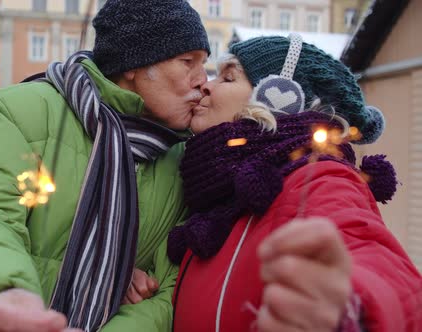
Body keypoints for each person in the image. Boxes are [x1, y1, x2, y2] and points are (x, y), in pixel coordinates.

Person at [0, 0, 210, 331]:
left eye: (205, 65)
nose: (204, 81)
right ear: (135, 63)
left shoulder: (188, 158)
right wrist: (0, 292)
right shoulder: (17, 111)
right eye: (188, 62)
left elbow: (168, 288)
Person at [168, 34, 422, 331]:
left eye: (228, 77)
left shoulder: (318, 177)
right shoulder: (215, 189)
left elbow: (379, 267)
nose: (206, 85)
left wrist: (348, 309)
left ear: (276, 95)